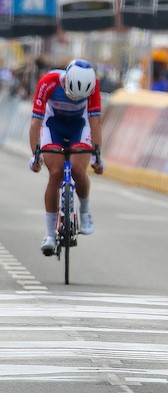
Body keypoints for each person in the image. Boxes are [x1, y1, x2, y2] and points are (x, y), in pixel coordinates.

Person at [28, 59, 104, 256]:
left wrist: (97, 155)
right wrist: (35, 154)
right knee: (56, 173)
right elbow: (36, 122)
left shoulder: (93, 85)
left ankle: (85, 212)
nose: (74, 99)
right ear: (66, 80)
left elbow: (95, 122)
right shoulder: (49, 82)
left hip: (80, 126)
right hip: (53, 126)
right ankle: (50, 235)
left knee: (79, 171)